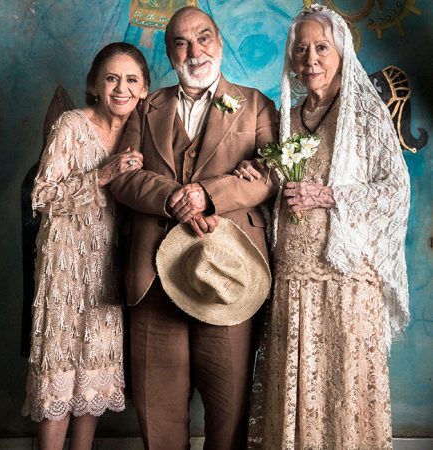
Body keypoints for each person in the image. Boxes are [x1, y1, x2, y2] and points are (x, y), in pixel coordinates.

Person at [242, 4, 410, 449]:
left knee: (341, 391)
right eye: (301, 50)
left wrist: (328, 195)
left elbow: (395, 190)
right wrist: (257, 174)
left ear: (340, 52)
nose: (310, 59)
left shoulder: (363, 114)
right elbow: (278, 183)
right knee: (294, 390)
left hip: (345, 279)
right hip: (293, 280)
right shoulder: (289, 117)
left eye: (321, 47)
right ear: (290, 58)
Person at [110, 6, 278, 450]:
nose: (194, 50)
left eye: (203, 38)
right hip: (152, 276)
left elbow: (271, 174)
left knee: (229, 414)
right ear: (169, 52)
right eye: (181, 43)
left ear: (219, 42)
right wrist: (170, 198)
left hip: (229, 276)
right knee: (158, 413)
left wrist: (208, 194)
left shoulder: (257, 104)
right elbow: (123, 175)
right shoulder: (145, 107)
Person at [22, 42, 150, 450]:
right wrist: (101, 175)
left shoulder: (142, 133)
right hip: (63, 264)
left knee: (94, 368)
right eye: (111, 78)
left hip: (110, 264)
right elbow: (40, 196)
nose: (121, 88)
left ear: (145, 89)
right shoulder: (71, 125)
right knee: (58, 369)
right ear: (94, 84)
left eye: (131, 80)